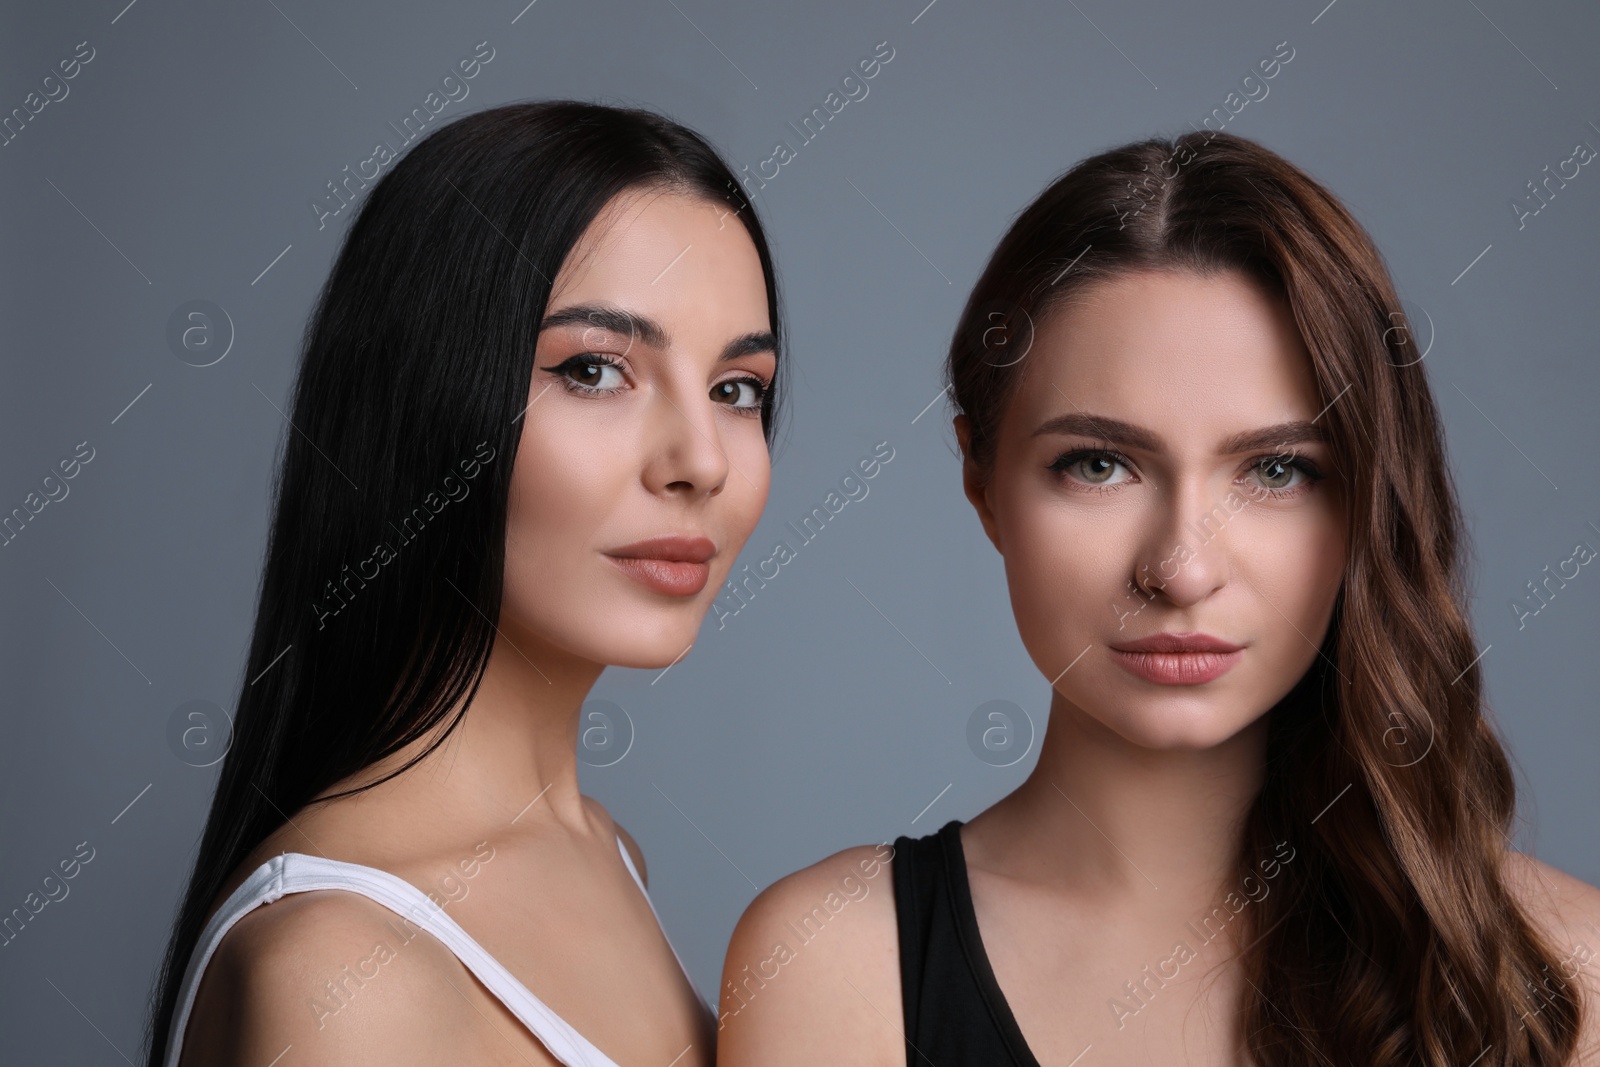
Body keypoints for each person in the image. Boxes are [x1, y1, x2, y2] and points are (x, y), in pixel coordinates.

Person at [717, 130, 1600, 1066]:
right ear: (983, 482)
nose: (1180, 569)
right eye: (1099, 464)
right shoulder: (834, 964)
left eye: (1276, 469)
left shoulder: (1565, 973)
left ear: (1368, 499)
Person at [145, 99, 788, 1067]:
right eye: (596, 369)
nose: (701, 460)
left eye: (736, 387)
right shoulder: (343, 972)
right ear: (428, 397)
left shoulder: (602, 851)